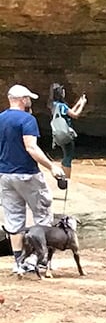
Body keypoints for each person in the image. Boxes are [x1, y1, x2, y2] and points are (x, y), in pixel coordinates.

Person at [1, 83, 66, 276]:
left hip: (4, 175)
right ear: (22, 100)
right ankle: (39, 260)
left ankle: (18, 263)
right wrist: (52, 166)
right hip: (27, 174)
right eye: (28, 98)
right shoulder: (27, 119)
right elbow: (31, 147)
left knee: (13, 219)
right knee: (43, 213)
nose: (30, 101)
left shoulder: (0, 118)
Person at [48, 84, 84, 183]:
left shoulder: (54, 105)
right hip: (66, 133)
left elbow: (69, 111)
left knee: (65, 154)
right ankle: (66, 179)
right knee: (68, 156)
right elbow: (75, 115)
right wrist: (83, 104)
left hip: (58, 133)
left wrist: (78, 103)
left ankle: (63, 175)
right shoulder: (61, 105)